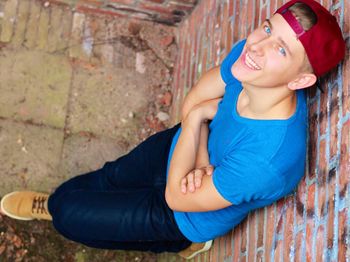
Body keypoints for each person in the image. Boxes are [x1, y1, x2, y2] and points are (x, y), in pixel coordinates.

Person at [1, 0, 346, 260]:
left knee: (69, 218)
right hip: (178, 147)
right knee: (109, 176)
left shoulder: (268, 160)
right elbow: (195, 94)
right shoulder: (251, 61)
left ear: (300, 79)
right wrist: (197, 144)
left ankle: (181, 244)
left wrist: (197, 121)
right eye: (268, 29)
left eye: (281, 49)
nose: (258, 45)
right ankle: (61, 201)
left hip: (185, 216)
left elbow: (177, 196)